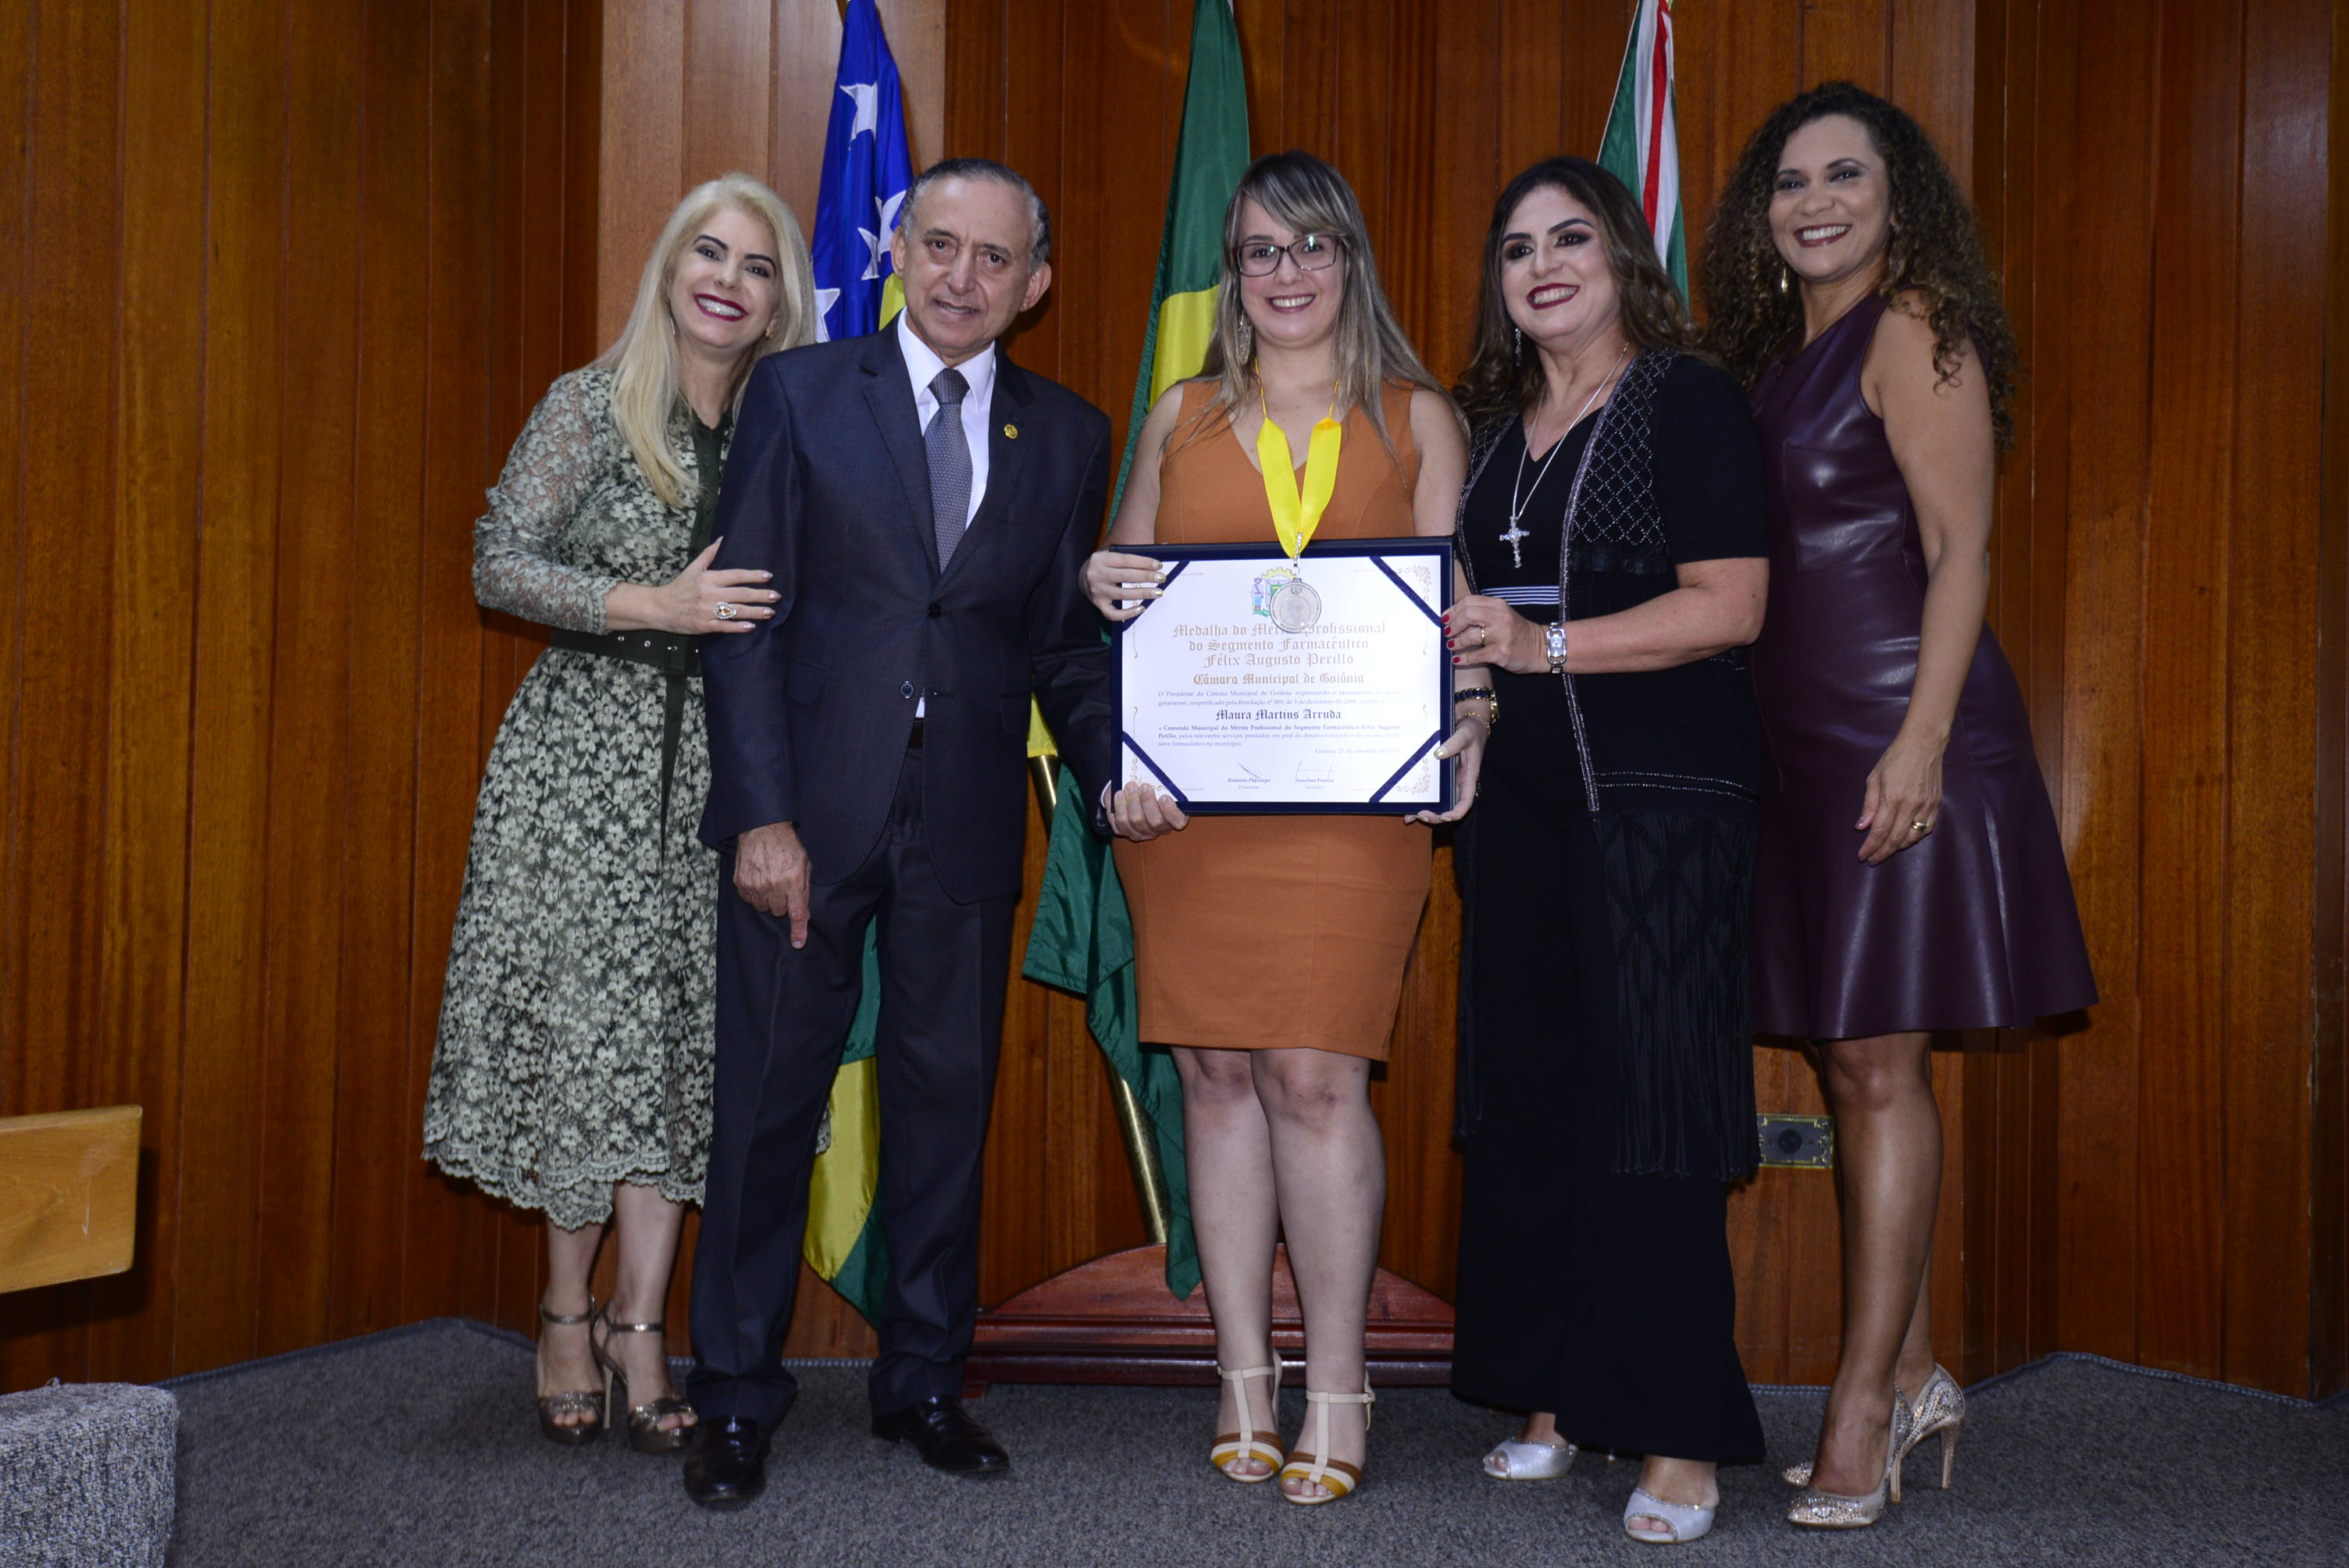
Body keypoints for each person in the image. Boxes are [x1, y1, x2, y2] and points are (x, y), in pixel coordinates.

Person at [682, 158, 1118, 1509]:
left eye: (995, 258)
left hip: (968, 817)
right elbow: (743, 621)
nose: (961, 277)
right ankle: (734, 1398)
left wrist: (1123, 770)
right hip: (807, 814)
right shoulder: (801, 394)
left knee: (945, 1110)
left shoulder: (1071, 434)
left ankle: (925, 1382)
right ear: (896, 252)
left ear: (1035, 285)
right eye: (939, 245)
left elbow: (1064, 646)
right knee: (766, 1105)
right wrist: (761, 815)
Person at [1702, 83, 2095, 1529]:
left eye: (1845, 175)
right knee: (1847, 1055)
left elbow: (1962, 549)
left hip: (1897, 734)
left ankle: (1863, 1408)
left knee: (1875, 1063)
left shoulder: (1916, 326)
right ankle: (1916, 1367)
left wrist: (1921, 746)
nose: (1814, 202)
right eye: (1790, 181)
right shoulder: (1769, 361)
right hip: (1797, 750)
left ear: (1897, 196)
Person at [1084, 149, 1470, 1506]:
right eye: (1260, 249)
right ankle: (1243, 1376)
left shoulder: (1419, 420)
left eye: (1313, 246)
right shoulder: (1180, 415)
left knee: (1313, 1077)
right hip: (1190, 811)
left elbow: (1454, 617)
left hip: (1354, 814)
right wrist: (1102, 596)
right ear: (1232, 272)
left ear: (1350, 261)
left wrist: (1471, 722)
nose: (1287, 272)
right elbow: (1123, 605)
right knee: (1214, 1077)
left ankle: (1340, 1383)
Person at [422, 174, 815, 1452]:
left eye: (756, 265)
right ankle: (563, 1309)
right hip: (582, 765)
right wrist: (657, 606)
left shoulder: (788, 425)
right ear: (669, 269)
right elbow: (497, 559)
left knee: (679, 1043)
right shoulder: (591, 404)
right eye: (708, 252)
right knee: (591, 1036)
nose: (727, 280)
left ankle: (642, 1323)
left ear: (780, 304)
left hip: (730, 771)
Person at [1442, 157, 1771, 1546]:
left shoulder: (1687, 400)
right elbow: (1464, 622)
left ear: (1623, 254)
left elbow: (1732, 605)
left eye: (1569, 238)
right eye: (1519, 249)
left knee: (1654, 1114)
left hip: (1661, 806)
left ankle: (1679, 1431)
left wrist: (1548, 647)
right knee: (1527, 1103)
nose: (1543, 267)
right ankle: (1553, 1394)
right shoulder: (1487, 428)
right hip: (1513, 808)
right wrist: (1471, 710)